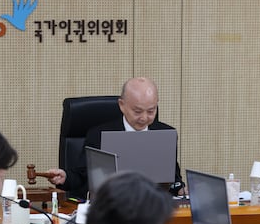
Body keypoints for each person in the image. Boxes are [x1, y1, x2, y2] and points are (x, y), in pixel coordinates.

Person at [47, 77, 185, 199]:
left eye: (151, 111)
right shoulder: (98, 134)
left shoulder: (166, 133)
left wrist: (181, 190)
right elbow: (83, 176)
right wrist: (65, 177)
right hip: (112, 208)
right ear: (122, 105)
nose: (144, 118)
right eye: (137, 111)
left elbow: (173, 178)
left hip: (154, 207)